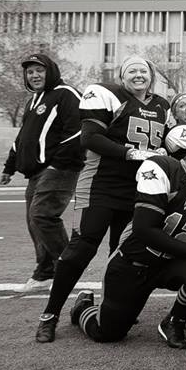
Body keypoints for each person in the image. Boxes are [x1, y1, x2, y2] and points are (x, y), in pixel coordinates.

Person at [35, 56, 170, 343]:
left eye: (143, 70)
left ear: (151, 76)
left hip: (136, 188)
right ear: (122, 77)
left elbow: (166, 144)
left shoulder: (161, 106)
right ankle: (50, 314)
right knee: (80, 249)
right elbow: (90, 138)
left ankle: (108, 309)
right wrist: (134, 153)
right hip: (101, 185)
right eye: (131, 70)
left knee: (120, 254)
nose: (138, 75)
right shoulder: (106, 93)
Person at [70, 131, 186, 349]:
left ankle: (174, 321)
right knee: (108, 332)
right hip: (135, 261)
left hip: (171, 263)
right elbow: (144, 229)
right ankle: (83, 306)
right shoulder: (164, 169)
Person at [0, 54, 83, 293]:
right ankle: (45, 271)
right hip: (36, 172)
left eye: (39, 70)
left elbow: (77, 132)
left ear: (51, 71)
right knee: (34, 221)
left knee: (43, 216)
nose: (34, 75)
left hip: (60, 168)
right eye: (30, 72)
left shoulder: (66, 94)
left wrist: (58, 164)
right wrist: (9, 167)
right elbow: (22, 138)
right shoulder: (33, 100)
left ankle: (68, 268)